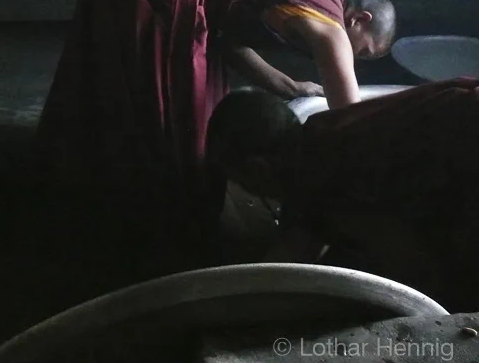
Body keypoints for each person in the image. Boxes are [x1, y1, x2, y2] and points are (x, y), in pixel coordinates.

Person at [35, 0, 395, 271]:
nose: (354, 62)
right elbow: (352, 124)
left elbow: (229, 40)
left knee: (152, 88)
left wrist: (290, 85)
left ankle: (102, 199)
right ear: (359, 19)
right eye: (362, 52)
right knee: (165, 111)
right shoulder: (331, 24)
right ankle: (145, 237)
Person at [205, 80, 479, 312]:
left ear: (258, 170)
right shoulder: (320, 132)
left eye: (242, 182)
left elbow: (412, 264)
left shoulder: (326, 179)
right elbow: (296, 249)